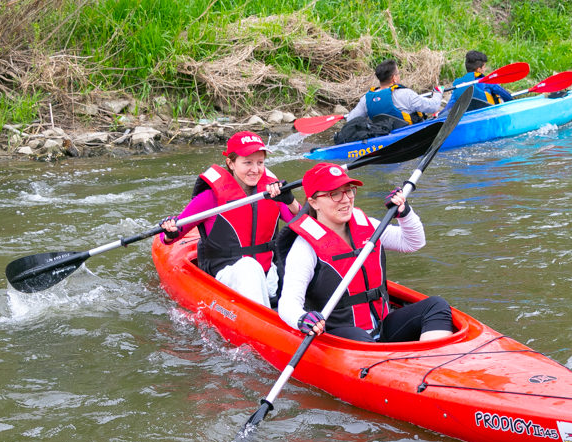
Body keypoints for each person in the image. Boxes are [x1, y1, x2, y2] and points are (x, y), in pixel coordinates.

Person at [277, 162, 453, 343]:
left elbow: (413, 242)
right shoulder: (304, 247)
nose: (345, 199)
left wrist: (405, 213)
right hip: (341, 335)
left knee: (436, 305)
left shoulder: (369, 226)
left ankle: (428, 358)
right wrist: (302, 319)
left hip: (382, 325)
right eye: (334, 194)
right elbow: (288, 304)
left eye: (348, 190)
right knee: (359, 336)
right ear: (314, 202)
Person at [159, 131, 301, 307]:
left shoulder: (272, 192)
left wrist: (290, 201)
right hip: (227, 276)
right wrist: (169, 231)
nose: (255, 169)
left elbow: (305, 226)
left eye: (260, 163)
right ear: (231, 163)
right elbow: (172, 236)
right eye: (247, 162)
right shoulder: (210, 198)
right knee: (248, 267)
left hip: (268, 274)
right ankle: (262, 321)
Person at [345, 58, 443, 130]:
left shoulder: (366, 99)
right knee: (440, 114)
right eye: (398, 74)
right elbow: (433, 106)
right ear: (394, 78)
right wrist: (438, 92)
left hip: (382, 134)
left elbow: (350, 120)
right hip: (408, 135)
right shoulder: (405, 94)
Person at [442, 50, 513, 114]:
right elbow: (507, 97)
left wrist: (439, 114)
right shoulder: (488, 82)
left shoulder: (459, 85)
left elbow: (449, 106)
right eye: (484, 67)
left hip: (469, 119)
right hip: (488, 117)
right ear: (479, 69)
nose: (485, 69)